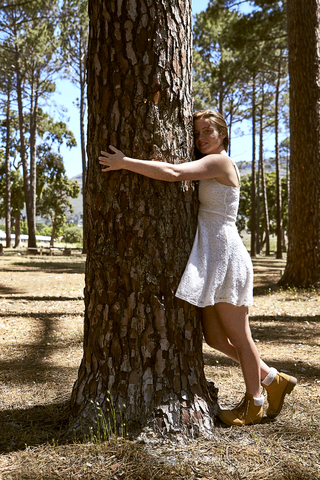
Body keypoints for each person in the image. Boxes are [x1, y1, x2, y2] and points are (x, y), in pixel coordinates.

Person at [98, 109, 297, 426]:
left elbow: (174, 173)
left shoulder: (220, 161)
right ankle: (273, 379)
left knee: (240, 337)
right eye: (197, 133)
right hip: (210, 256)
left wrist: (125, 163)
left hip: (226, 256)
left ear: (223, 135)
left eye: (208, 131)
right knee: (215, 338)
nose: (201, 138)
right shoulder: (210, 162)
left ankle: (255, 403)